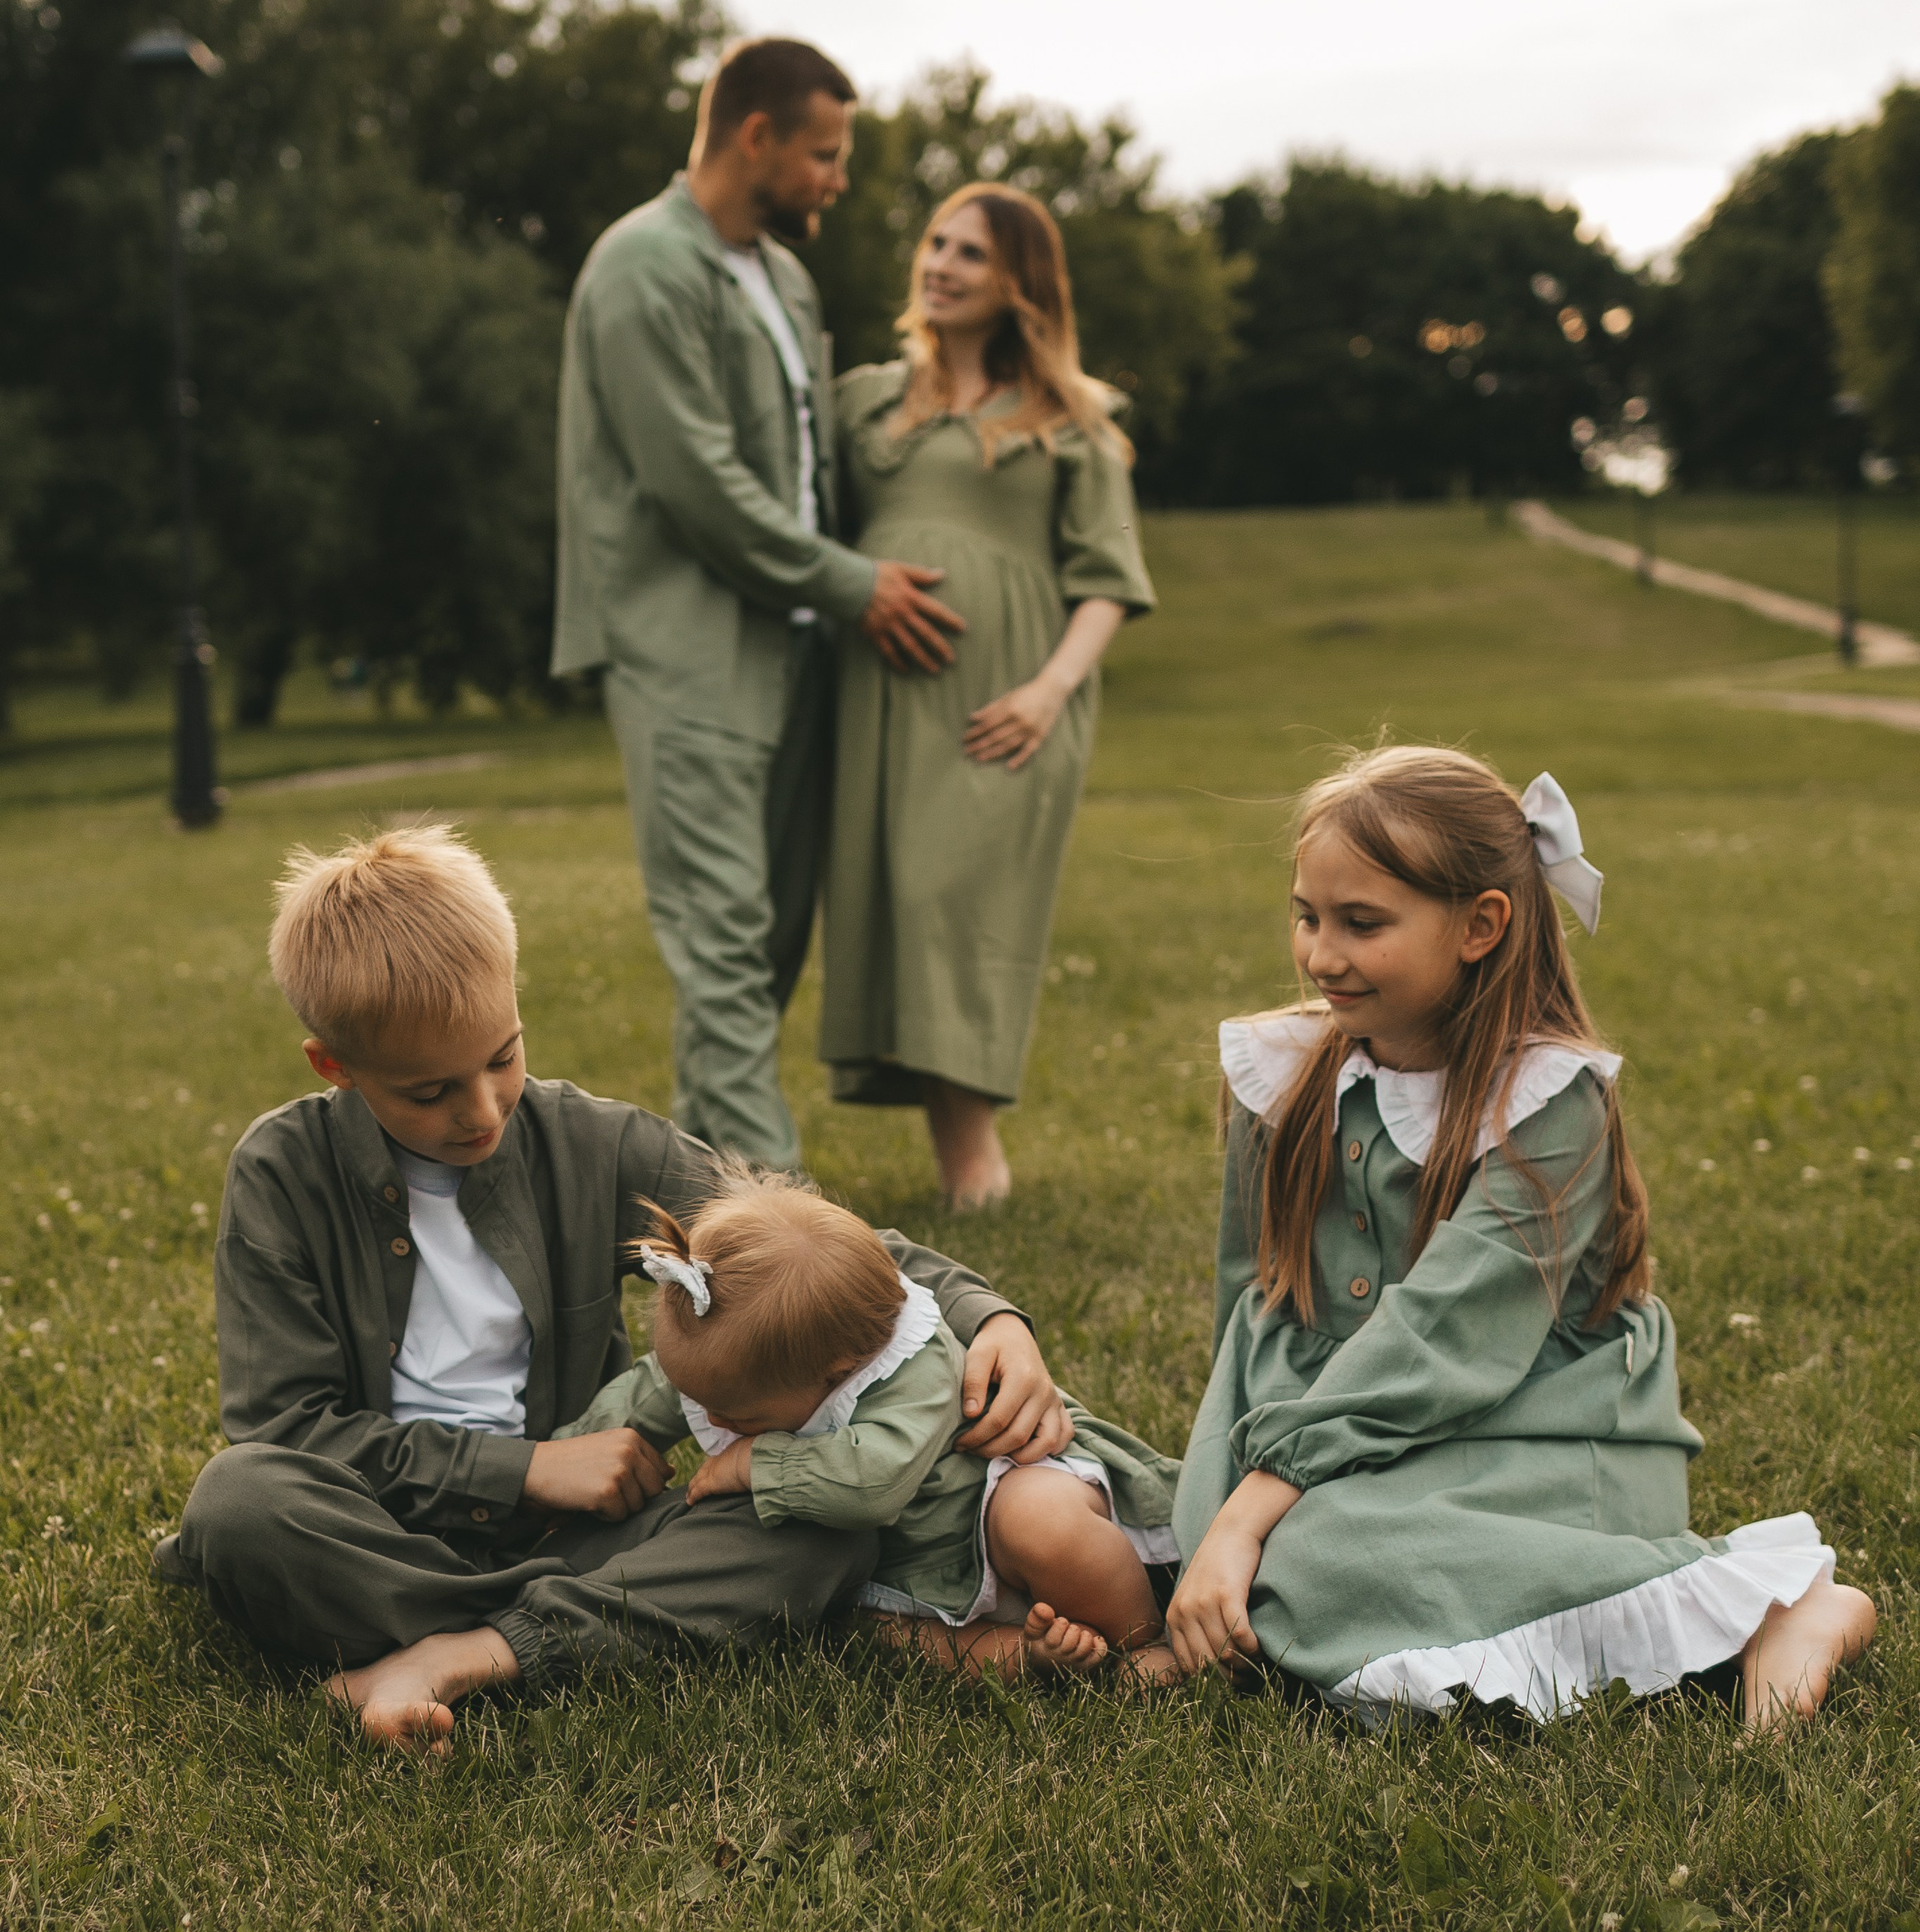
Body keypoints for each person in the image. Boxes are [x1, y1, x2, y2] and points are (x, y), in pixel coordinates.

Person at [152, 825, 1076, 1750]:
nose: (480, 1112)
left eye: (502, 1057)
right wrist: (530, 1470)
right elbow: (287, 1430)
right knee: (238, 1505)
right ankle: (561, 1625)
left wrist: (985, 1313)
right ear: (335, 1066)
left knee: (817, 1530)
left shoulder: (593, 1143)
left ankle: (461, 1649)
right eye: (429, 1093)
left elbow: (801, 1251)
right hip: (379, 1531)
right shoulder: (281, 1173)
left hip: (593, 1536)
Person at [1166, 746, 1877, 1725]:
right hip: (1322, 1413)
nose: (1321, 954)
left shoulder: (1546, 1104)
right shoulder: (1278, 1074)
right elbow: (1251, 1296)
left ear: (1481, 926)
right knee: (1258, 1553)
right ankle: (1323, 1593)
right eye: (1307, 915)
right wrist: (1228, 1478)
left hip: (1533, 1419)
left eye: (1362, 923)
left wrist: (1252, 1511)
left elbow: (1448, 1336)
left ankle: (1772, 1609)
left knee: (1308, 1559)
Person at [551, 34, 964, 1171]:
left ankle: (714, 1194)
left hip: (798, 652)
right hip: (683, 651)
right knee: (724, 940)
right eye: (824, 154)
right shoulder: (641, 267)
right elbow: (700, 489)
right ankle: (793, 1234)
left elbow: (808, 451)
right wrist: (857, 585)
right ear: (755, 136)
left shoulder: (782, 276)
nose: (836, 178)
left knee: (767, 940)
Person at [819, 188, 1156, 1208]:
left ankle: (977, 1165)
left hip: (1010, 702)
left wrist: (1049, 692)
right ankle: (955, 1158)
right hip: (881, 696)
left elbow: (1108, 579)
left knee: (958, 901)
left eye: (971, 253)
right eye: (935, 243)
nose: (942, 264)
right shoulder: (864, 399)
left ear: (1020, 283)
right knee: (902, 900)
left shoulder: (1072, 419)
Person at [562, 1172, 1182, 1680]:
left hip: (993, 1518)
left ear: (837, 1373)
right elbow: (651, 1390)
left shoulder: (923, 1366)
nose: (716, 1421)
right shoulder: (744, 1363)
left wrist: (757, 1462)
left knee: (1038, 1520)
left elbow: (875, 1481)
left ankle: (1143, 1638)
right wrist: (564, 1461)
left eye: (739, 1417)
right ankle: (1030, 1655)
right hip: (910, 1576)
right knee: (861, 1630)